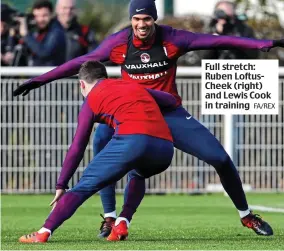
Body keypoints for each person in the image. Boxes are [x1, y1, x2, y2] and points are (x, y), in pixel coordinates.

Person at [14, 0, 283, 238]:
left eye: (147, 19)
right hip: (132, 115)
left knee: (221, 159)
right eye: (136, 19)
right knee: (100, 143)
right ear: (131, 20)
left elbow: (216, 40)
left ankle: (246, 215)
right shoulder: (119, 42)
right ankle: (110, 217)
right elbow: (81, 63)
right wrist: (39, 80)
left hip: (168, 113)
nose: (141, 25)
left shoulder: (173, 38)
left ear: (155, 19)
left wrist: (262, 44)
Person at [18, 60, 175, 243]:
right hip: (165, 148)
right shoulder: (128, 84)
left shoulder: (91, 100)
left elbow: (78, 146)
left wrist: (62, 184)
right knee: (138, 174)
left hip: (133, 140)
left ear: (82, 84)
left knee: (83, 186)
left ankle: (43, 232)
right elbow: (170, 100)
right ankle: (122, 222)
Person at [16, 0, 66, 66]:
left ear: (52, 14)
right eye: (37, 16)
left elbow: (44, 52)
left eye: (44, 15)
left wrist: (26, 35)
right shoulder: (36, 30)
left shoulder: (57, 31)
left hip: (51, 74)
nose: (40, 19)